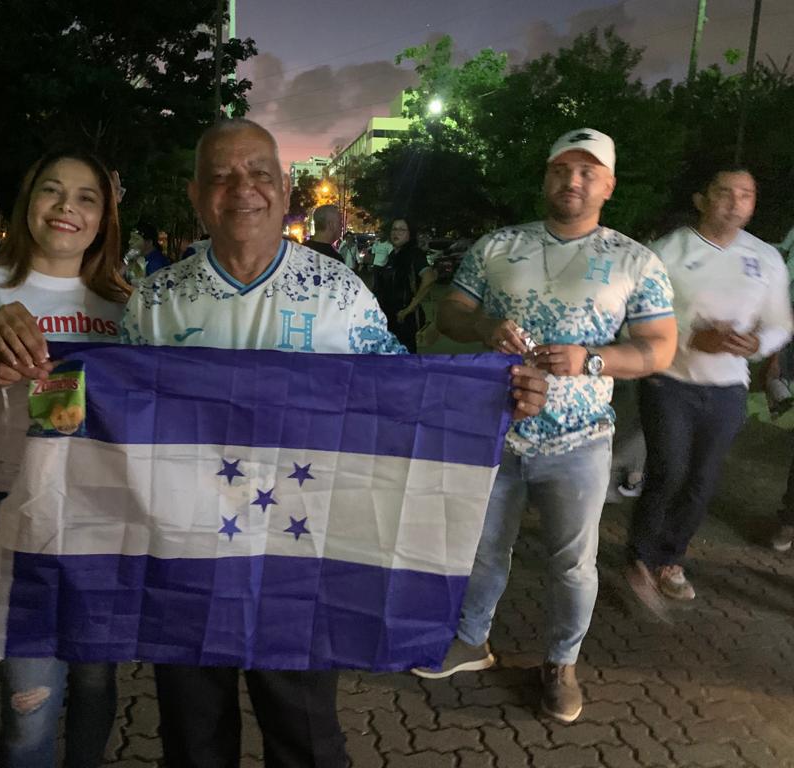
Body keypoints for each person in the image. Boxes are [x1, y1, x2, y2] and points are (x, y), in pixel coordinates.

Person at [121, 118, 548, 766]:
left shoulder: (339, 295)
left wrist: (495, 399)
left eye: (259, 173)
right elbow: (111, 424)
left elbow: (403, 400)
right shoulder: (154, 304)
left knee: (306, 737)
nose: (243, 189)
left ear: (285, 187)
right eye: (221, 176)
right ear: (195, 194)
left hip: (298, 551)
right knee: (193, 738)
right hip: (186, 555)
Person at [422, 128, 677, 724]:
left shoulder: (635, 260)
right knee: (484, 549)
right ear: (546, 176)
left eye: (589, 171)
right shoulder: (499, 247)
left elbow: (659, 348)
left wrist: (591, 359)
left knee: (571, 563)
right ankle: (471, 641)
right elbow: (451, 311)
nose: (573, 180)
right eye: (563, 168)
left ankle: (561, 663)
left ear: (608, 185)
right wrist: (485, 328)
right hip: (495, 428)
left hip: (580, 440)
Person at [0, 149, 131, 768]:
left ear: (103, 218)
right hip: (14, 516)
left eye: (87, 197)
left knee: (96, 683)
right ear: (27, 202)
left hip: (102, 521)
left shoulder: (126, 302)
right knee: (30, 708)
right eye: (52, 190)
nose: (67, 206)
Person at [627, 168, 793, 586]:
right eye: (725, 192)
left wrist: (756, 345)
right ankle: (639, 558)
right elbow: (637, 315)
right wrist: (689, 337)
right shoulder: (668, 251)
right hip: (670, 381)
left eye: (746, 194)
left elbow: (780, 322)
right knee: (668, 471)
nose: (735, 202)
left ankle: (671, 559)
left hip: (727, 389)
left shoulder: (767, 258)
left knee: (702, 480)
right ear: (702, 200)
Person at [374, 218, 430, 352]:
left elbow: (429, 277)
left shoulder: (414, 254)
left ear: (410, 234)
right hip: (390, 317)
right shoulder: (393, 254)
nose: (396, 233)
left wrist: (409, 309)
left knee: (405, 358)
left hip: (404, 319)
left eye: (402, 229)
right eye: (394, 229)